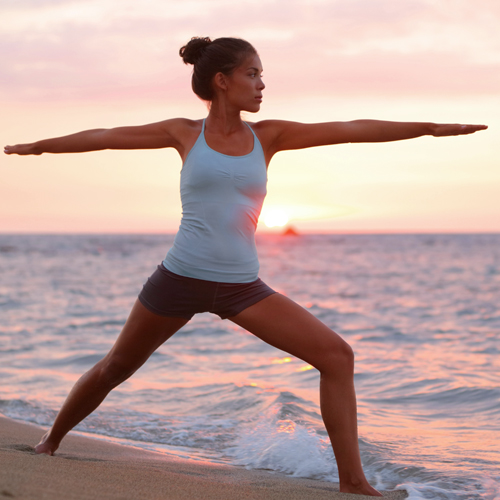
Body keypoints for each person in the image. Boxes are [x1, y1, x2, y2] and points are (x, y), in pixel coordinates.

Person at [3, 36, 487, 496]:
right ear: (221, 80)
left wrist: (430, 128)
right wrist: (39, 146)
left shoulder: (269, 136)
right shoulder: (183, 132)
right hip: (178, 279)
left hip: (241, 288)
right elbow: (107, 137)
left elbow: (350, 130)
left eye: (261, 75)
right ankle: (50, 441)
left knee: (336, 356)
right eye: (252, 73)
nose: (261, 84)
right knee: (115, 367)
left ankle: (352, 481)